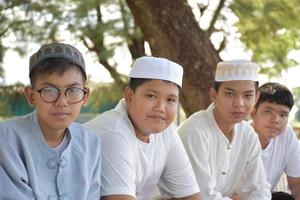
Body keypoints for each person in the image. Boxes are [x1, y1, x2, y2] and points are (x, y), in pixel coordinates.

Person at [85, 56, 202, 200]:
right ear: (129, 96)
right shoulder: (113, 133)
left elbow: (191, 196)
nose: (160, 108)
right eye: (151, 96)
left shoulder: (167, 133)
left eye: (170, 100)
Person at [0, 43, 101, 200]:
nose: (62, 102)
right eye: (49, 91)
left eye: (73, 91)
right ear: (31, 95)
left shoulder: (90, 142)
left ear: (85, 96)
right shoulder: (6, 139)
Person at [177, 60, 271, 200]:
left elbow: (258, 188)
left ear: (256, 98)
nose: (239, 104)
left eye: (247, 96)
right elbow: (201, 195)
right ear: (214, 95)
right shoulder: (195, 131)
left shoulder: (248, 134)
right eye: (229, 94)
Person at [250, 82, 300, 200]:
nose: (276, 120)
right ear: (253, 112)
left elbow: (297, 184)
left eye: (283, 114)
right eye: (268, 111)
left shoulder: (286, 136)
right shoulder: (239, 135)